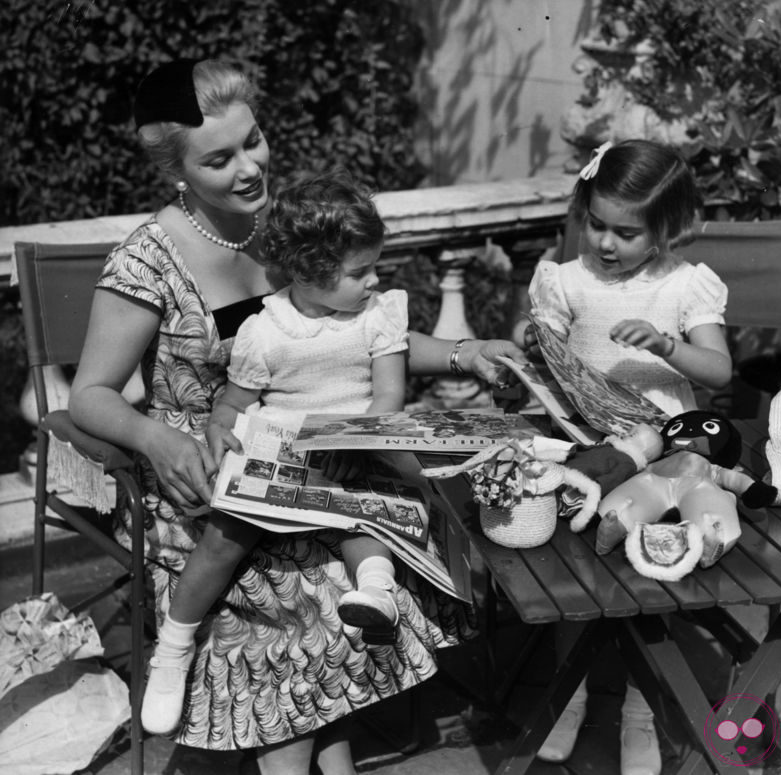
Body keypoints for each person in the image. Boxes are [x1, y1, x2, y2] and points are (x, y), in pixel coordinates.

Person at [68, 58, 525, 775]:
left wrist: (467, 352)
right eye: (220, 159)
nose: (250, 167)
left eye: (254, 140)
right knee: (311, 595)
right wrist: (155, 439)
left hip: (312, 458)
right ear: (177, 174)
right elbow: (88, 394)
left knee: (374, 550)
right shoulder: (147, 262)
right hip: (205, 480)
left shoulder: (279, 227)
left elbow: (362, 329)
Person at [140, 168, 410, 736]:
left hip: (356, 446)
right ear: (311, 273)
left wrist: (349, 441)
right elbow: (233, 402)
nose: (374, 280)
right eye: (360, 271)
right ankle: (173, 645)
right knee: (223, 537)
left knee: (364, 523)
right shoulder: (266, 332)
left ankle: (376, 596)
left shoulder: (377, 316)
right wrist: (220, 428)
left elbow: (388, 395)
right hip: (281, 455)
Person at [526, 138, 732, 775]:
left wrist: (668, 345)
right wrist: (523, 369)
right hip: (585, 443)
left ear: (667, 229)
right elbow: (544, 359)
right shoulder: (565, 280)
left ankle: (641, 711)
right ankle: (571, 696)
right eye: (595, 224)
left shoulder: (685, 286)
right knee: (568, 577)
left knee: (653, 572)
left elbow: (720, 370)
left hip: (664, 449)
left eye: (626, 232)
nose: (606, 243)